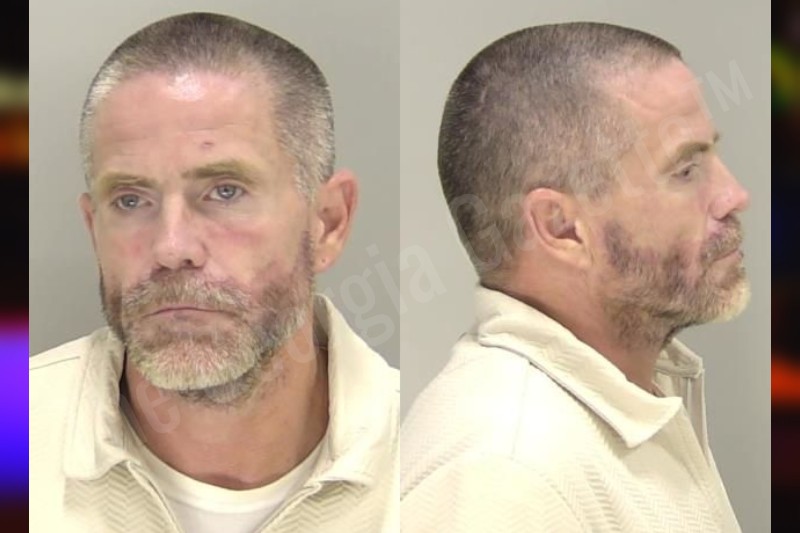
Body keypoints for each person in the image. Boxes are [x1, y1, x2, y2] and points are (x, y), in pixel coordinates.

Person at [30, 12, 398, 533]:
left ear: (328, 222)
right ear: (95, 231)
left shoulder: (431, 460)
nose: (171, 248)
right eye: (130, 200)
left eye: (225, 191)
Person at [401, 22, 749, 532]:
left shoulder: (632, 391)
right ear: (561, 228)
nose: (734, 195)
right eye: (685, 170)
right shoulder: (503, 476)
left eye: (711, 155)